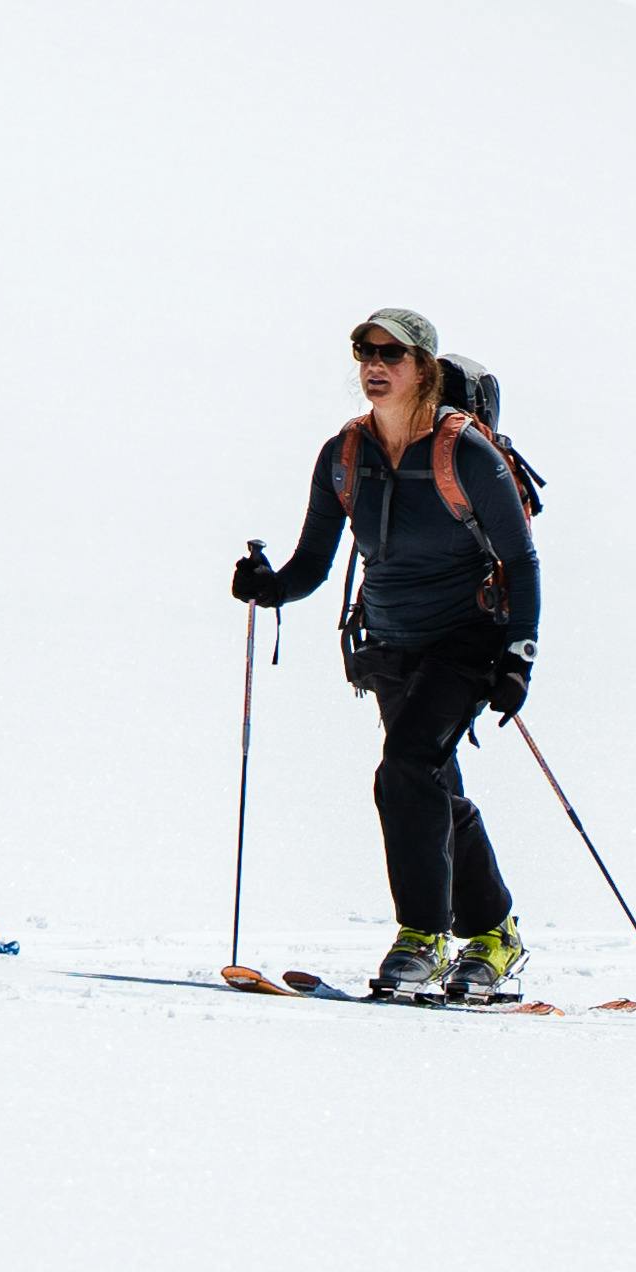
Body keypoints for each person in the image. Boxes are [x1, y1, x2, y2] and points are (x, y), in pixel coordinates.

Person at [234, 309, 546, 1001]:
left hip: (466, 640)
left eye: (390, 354)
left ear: (424, 367)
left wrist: (519, 655)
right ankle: (495, 933)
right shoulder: (345, 454)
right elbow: (314, 560)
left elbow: (519, 562)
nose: (374, 364)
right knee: (428, 783)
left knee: (404, 766)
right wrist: (270, 588)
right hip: (388, 643)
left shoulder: (466, 453)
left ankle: (421, 935)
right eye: (363, 351)